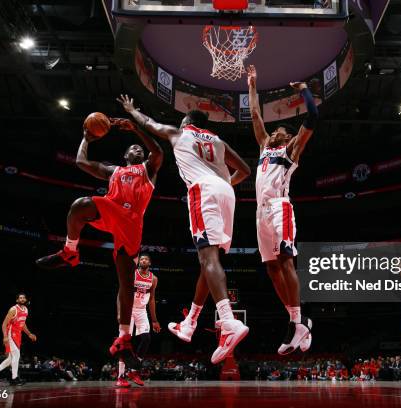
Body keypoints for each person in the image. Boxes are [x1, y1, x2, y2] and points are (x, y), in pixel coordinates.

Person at [116, 94, 251, 364]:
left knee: (208, 259)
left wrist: (132, 110)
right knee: (209, 263)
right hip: (227, 194)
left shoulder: (180, 133)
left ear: (187, 122)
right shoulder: (218, 141)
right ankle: (190, 322)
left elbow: (150, 124)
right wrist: (223, 185)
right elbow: (246, 170)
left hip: (203, 190)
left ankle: (229, 321)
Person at [36, 117, 163, 367]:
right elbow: (82, 162)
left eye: (139, 148)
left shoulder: (148, 169)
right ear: (125, 154)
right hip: (111, 209)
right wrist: (86, 138)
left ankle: (125, 338)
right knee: (80, 206)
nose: (137, 149)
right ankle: (69, 252)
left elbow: (157, 150)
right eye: (133, 148)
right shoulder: (113, 170)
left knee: (126, 284)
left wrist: (136, 128)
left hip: (132, 223)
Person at [246, 65, 317, 354]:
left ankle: (297, 322)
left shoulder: (291, 150)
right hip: (260, 212)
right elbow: (254, 114)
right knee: (271, 268)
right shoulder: (264, 146)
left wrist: (303, 91)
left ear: (287, 139)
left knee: (286, 261)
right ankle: (296, 321)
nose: (277, 131)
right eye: (276, 130)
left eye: (283, 131)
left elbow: (313, 118)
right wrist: (252, 85)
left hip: (280, 207)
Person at [116, 254, 161, 387]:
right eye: (141, 259)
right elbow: (121, 292)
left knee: (146, 338)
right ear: (138, 262)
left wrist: (154, 320)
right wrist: (120, 312)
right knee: (124, 342)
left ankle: (133, 371)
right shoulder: (132, 274)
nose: (143, 260)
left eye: (146, 259)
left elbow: (152, 299)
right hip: (128, 309)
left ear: (150, 263)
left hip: (141, 310)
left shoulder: (154, 278)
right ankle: (120, 376)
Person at [0, 293, 37, 385]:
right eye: (20, 298)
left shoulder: (26, 310)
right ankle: (14, 378)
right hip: (10, 333)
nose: (22, 299)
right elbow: (4, 324)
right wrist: (5, 336)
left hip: (18, 334)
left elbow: (23, 323)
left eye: (23, 298)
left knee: (10, 359)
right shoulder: (13, 309)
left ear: (25, 300)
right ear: (17, 300)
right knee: (16, 355)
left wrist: (29, 334)